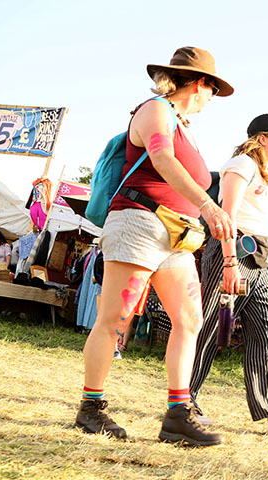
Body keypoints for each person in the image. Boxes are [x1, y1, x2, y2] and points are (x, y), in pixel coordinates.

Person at [74, 46, 236, 446]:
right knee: (116, 317)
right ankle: (90, 409)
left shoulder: (184, 125)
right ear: (201, 84)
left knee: (190, 319)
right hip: (138, 222)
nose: (211, 99)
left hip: (175, 235)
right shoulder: (155, 110)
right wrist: (207, 204)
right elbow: (162, 159)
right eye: (212, 90)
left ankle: (177, 416)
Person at [189, 113, 268, 434]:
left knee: (267, 332)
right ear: (261, 138)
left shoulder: (265, 173)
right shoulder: (241, 164)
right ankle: (184, 402)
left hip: (259, 256)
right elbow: (225, 216)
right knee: (210, 329)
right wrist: (229, 263)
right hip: (233, 252)